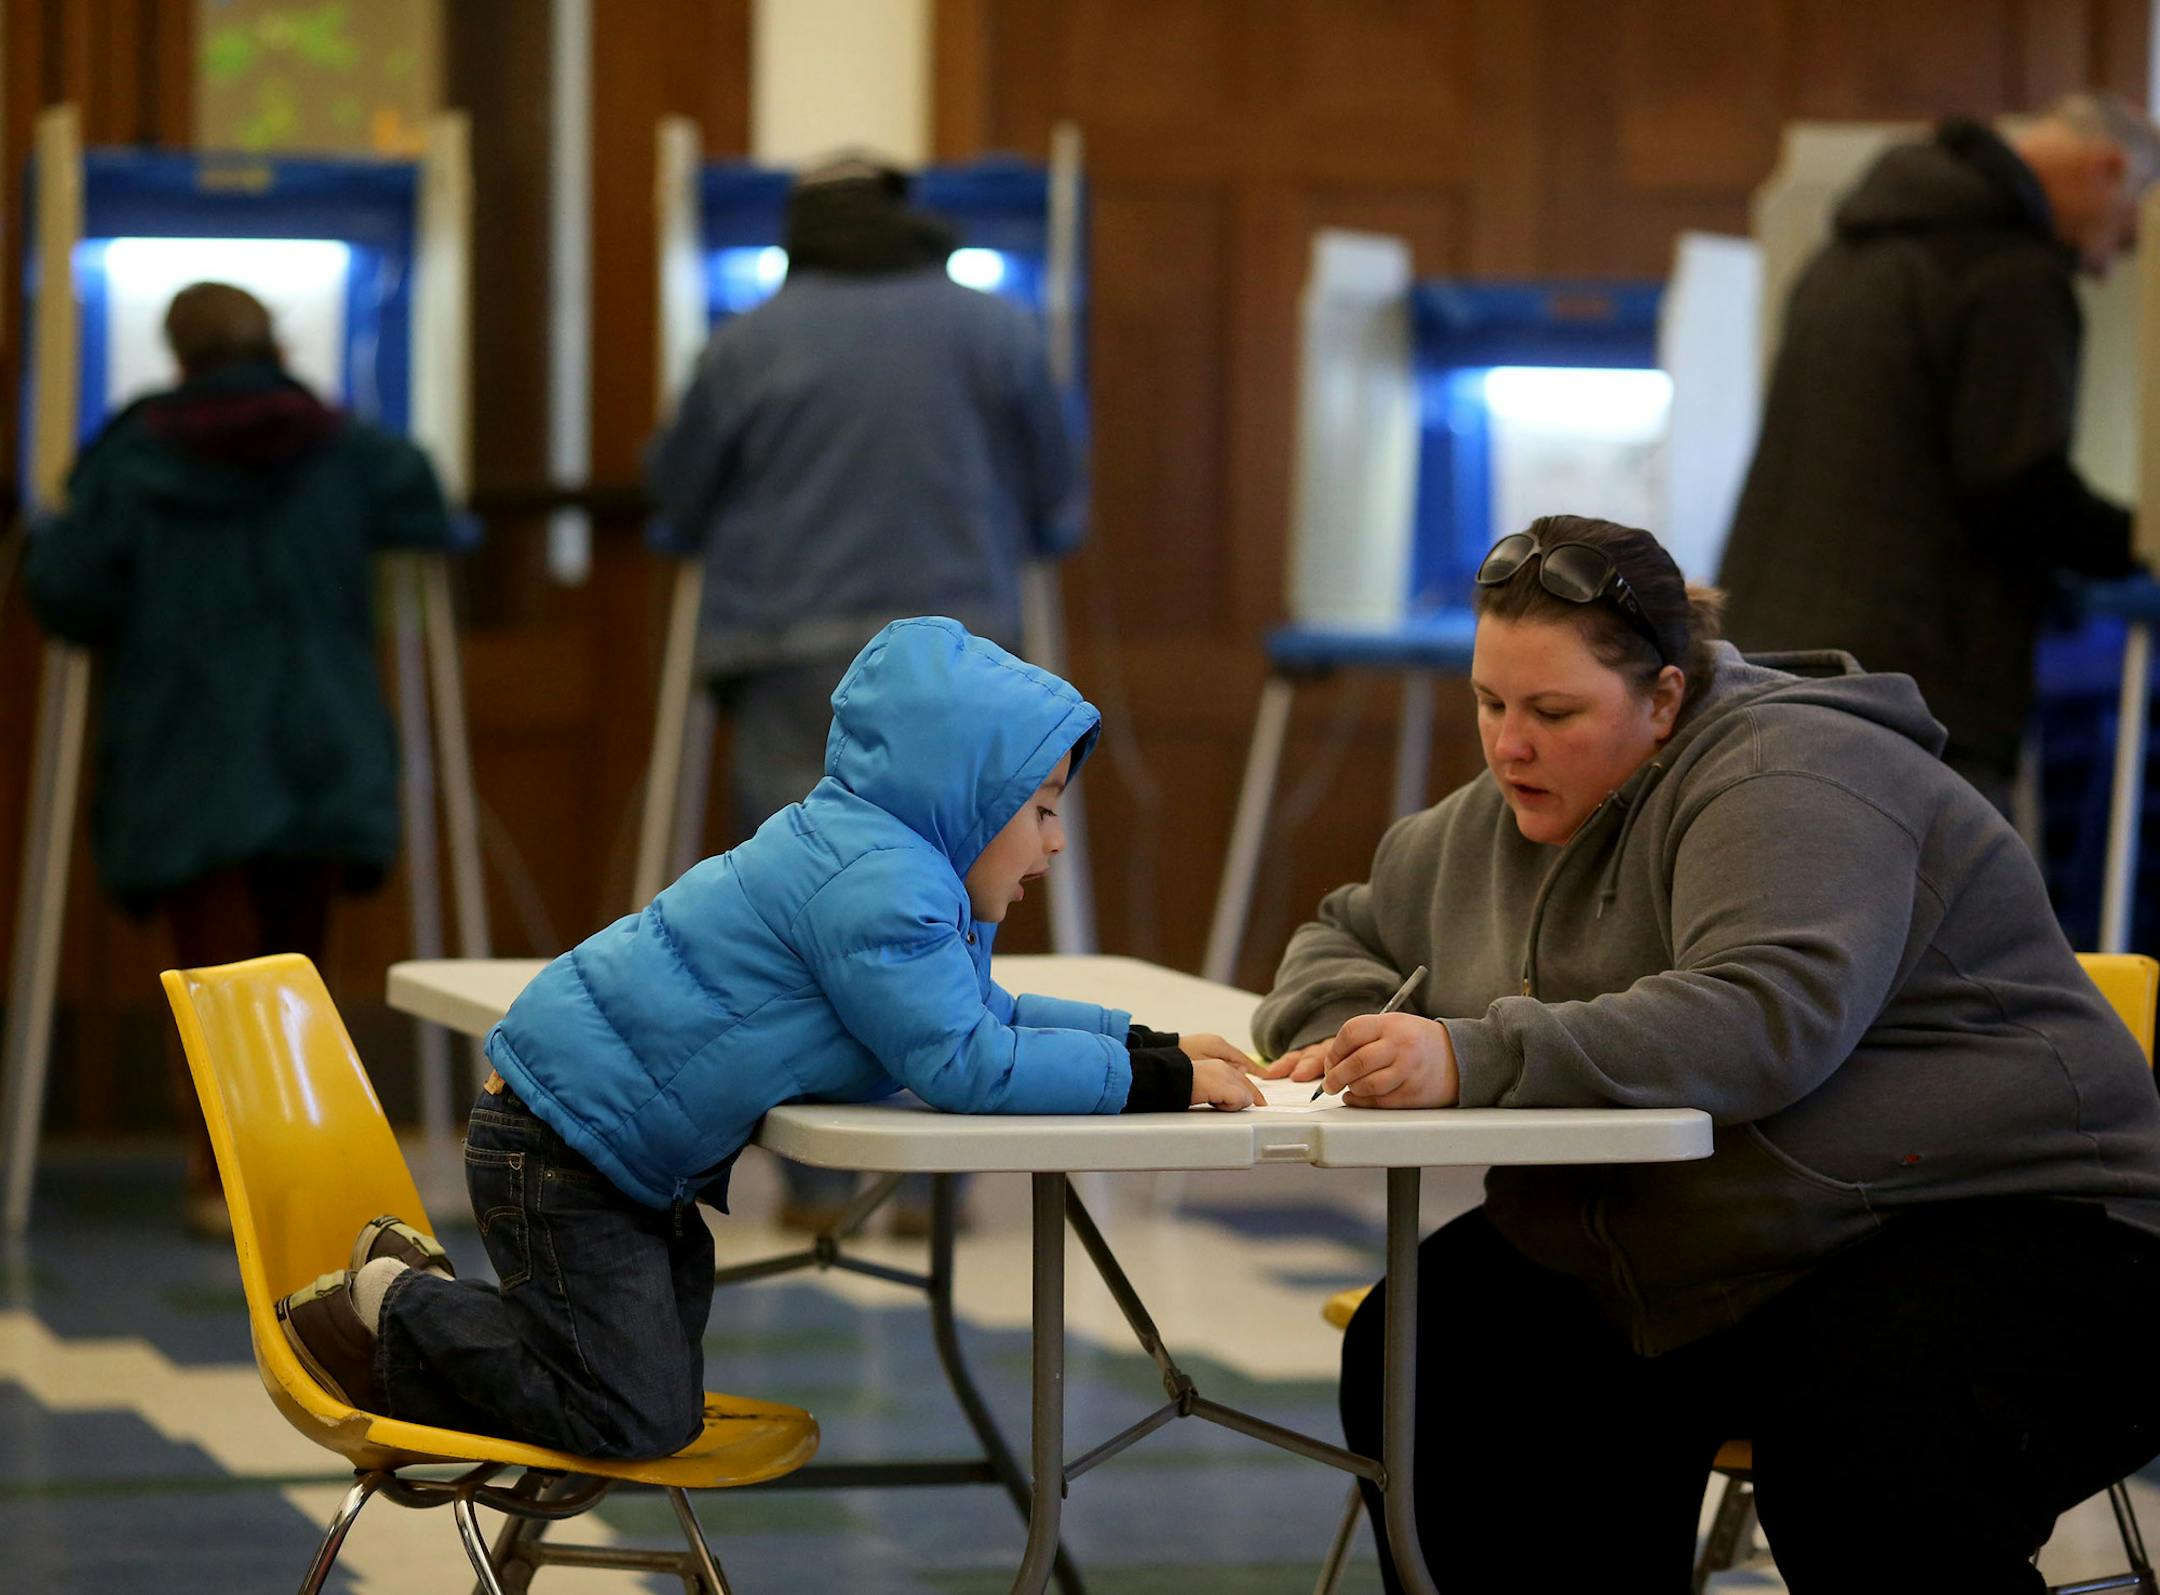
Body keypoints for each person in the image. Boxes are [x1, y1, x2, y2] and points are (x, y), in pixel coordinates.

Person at [1254, 515, 2160, 1592]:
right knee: (1438, 1347)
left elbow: (1759, 1019)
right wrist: (1356, 1032)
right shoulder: (1501, 815)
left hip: (2023, 1224)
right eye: (1490, 703)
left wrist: (1471, 1051)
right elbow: (1340, 932)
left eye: (1554, 711)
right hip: (1734, 1244)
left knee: (1863, 1446)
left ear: (1667, 698)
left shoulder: (1800, 774)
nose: (1510, 746)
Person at [274, 618, 1264, 1457]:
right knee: (635, 1411)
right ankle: (393, 1303)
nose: (1053, 842)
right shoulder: (883, 892)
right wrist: (1165, 1083)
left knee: (640, 1387)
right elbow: (969, 1066)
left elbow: (986, 1014)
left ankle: (420, 1307)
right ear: (968, 801)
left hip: (607, 1143)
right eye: (1042, 811)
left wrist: (1152, 1045)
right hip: (567, 1146)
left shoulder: (886, 857)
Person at [646, 155, 1081, 1234]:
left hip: (793, 645)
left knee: (807, 910)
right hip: (967, 665)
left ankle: (820, 1182)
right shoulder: (996, 329)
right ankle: (940, 1174)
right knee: (963, 901)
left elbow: (677, 493)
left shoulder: (749, 337)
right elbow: (1057, 498)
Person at [24, 281, 456, 1236]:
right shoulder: (343, 446)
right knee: (300, 970)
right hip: (323, 741)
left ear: (177, 357)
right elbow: (428, 505)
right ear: (277, 344)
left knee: (212, 975)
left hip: (189, 751)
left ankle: (222, 1174)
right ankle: (296, 1168)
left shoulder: (133, 458)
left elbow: (67, 591)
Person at [1717, 92, 2160, 815]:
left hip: (1769, 660)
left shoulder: (1850, 256)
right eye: (2128, 235)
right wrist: (2142, 542)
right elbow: (2014, 488)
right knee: (1939, 919)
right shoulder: (2012, 275)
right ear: (2108, 171)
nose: (2107, 266)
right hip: (1911, 689)